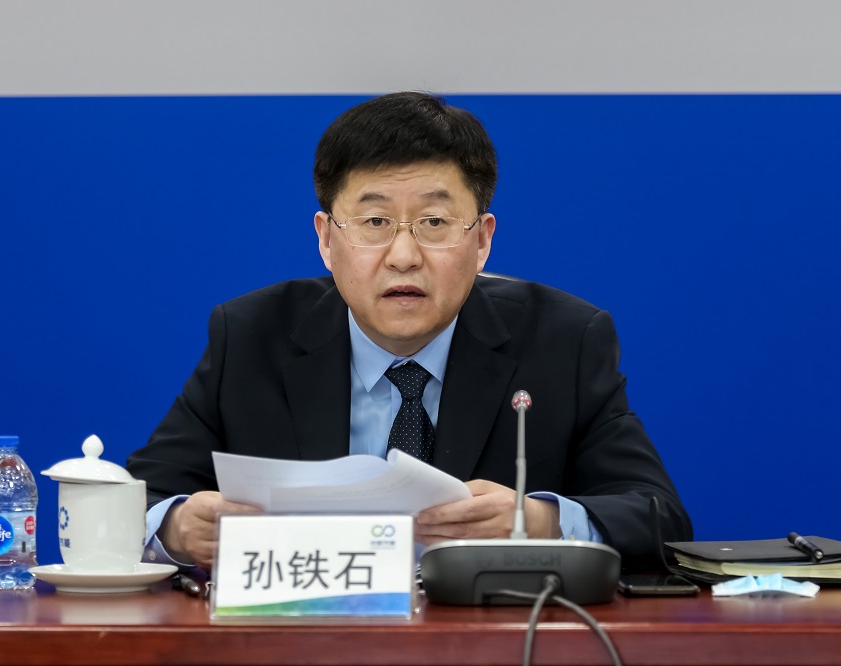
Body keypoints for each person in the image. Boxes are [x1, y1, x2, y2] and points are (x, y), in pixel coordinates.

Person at [126, 91, 692, 571]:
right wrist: (177, 528)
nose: (403, 255)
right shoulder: (252, 337)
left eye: (434, 222)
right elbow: (137, 499)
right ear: (326, 239)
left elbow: (659, 519)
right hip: (306, 638)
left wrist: (540, 521)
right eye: (375, 222)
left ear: (481, 240)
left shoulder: (564, 340)